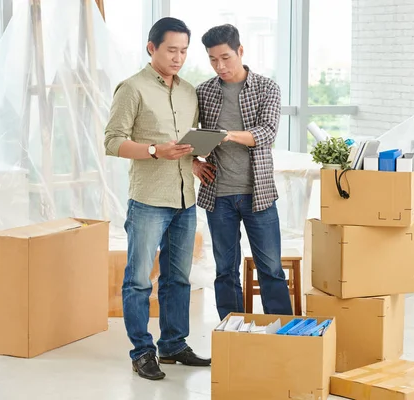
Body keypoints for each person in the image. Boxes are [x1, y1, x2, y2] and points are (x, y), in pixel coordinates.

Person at [104, 17, 210, 381]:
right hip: (149, 199)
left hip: (184, 198)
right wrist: (153, 150)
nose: (178, 57)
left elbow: (184, 141)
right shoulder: (131, 88)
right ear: (152, 48)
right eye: (171, 50)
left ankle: (174, 345)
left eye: (183, 50)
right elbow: (113, 141)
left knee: (178, 278)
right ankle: (142, 351)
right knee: (138, 280)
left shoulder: (189, 91)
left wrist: (193, 160)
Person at [192, 24, 293, 320]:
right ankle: (233, 336)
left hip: (257, 194)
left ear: (240, 51)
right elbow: (183, 136)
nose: (220, 66)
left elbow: (267, 133)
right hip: (218, 195)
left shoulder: (266, 87)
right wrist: (194, 164)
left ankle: (283, 336)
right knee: (225, 271)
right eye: (213, 59)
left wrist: (227, 135)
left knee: (271, 269)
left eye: (226, 57)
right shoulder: (204, 92)